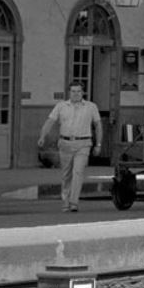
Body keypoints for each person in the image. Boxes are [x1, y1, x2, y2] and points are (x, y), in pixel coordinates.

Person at [38, 81, 103, 213]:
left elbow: (98, 125)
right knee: (66, 174)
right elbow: (50, 121)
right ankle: (65, 201)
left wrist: (98, 144)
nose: (76, 94)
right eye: (73, 91)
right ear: (69, 92)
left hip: (84, 143)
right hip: (65, 143)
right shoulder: (61, 106)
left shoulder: (91, 107)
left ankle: (74, 202)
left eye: (78, 91)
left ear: (83, 92)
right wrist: (42, 136)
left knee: (78, 172)